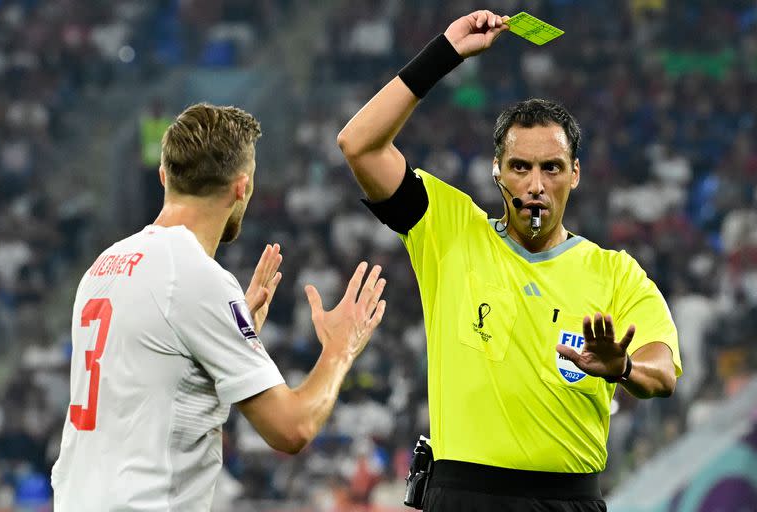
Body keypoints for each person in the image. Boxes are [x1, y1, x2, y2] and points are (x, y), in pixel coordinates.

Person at [337, 10, 681, 512]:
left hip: (567, 500)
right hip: (462, 496)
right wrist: (446, 52)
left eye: (552, 168)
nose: (536, 185)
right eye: (520, 167)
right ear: (497, 171)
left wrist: (623, 366)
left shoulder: (614, 271)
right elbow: (358, 144)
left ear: (576, 174)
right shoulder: (448, 228)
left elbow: (665, 371)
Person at [52, 103, 387, 511]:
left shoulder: (103, 267)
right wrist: (340, 347)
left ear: (164, 177)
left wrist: (227, 335)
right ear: (241, 187)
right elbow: (292, 429)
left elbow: (154, 385)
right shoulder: (194, 276)